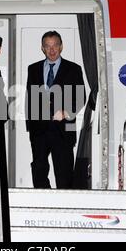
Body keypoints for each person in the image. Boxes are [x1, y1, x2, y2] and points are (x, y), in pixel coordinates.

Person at [25, 31, 86, 189]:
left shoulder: (73, 69)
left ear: (61, 47)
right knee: (38, 172)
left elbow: (81, 98)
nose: (52, 50)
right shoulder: (33, 69)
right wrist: (30, 126)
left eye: (55, 46)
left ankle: (64, 210)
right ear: (42, 48)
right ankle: (44, 206)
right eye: (47, 46)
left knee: (64, 175)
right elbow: (29, 98)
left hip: (64, 130)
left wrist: (66, 113)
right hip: (39, 131)